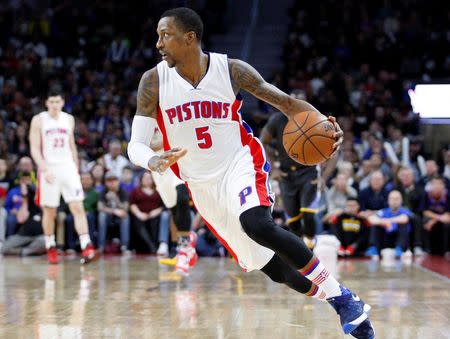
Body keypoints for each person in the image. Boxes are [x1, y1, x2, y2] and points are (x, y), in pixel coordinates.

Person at [126, 8, 373, 338]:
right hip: (201, 183)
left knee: (256, 222)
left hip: (239, 162)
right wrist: (150, 160)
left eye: (165, 35)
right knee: (273, 269)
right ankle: (341, 298)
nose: (158, 43)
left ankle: (344, 301)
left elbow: (288, 104)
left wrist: (325, 126)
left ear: (190, 38)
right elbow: (135, 144)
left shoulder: (231, 71)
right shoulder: (153, 81)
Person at [29, 91, 98, 264]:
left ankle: (86, 245)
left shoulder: (69, 119)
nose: (54, 104)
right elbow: (34, 148)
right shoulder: (39, 119)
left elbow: (71, 145)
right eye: (51, 101)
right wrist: (44, 169)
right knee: (50, 211)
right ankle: (50, 246)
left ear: (62, 102)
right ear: (46, 102)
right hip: (49, 169)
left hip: (67, 168)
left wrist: (75, 166)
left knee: (77, 207)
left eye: (57, 101)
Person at [260, 111, 320, 249]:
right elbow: (262, 141)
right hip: (286, 175)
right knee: (293, 221)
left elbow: (333, 151)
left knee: (308, 214)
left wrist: (323, 176)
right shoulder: (277, 119)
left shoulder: (313, 117)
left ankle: (310, 241)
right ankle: (302, 253)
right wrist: (273, 168)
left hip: (308, 172)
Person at [150, 128, 197, 275]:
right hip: (159, 167)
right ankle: (187, 246)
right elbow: (148, 146)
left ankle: (183, 249)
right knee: (174, 209)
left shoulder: (171, 109)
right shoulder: (144, 117)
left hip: (179, 160)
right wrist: (172, 136)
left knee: (183, 198)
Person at [1, 171, 45, 256]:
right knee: (4, 248)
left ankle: (22, 252)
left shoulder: (38, 194)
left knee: (44, 241)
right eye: (23, 181)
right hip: (24, 235)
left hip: (38, 236)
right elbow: (21, 219)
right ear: (20, 182)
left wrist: (35, 194)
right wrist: (25, 198)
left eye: (28, 180)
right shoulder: (22, 197)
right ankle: (26, 252)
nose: (26, 183)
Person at [366, 190, 412, 258]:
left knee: (403, 225)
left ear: (401, 200)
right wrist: (383, 222)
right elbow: (371, 219)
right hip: (385, 238)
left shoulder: (405, 211)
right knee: (376, 226)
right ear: (388, 200)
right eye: (392, 199)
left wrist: (387, 221)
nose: (394, 201)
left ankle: (399, 249)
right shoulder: (383, 211)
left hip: (399, 239)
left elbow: (404, 219)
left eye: (397, 199)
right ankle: (374, 248)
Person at [129, 172, 164, 253]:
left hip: (155, 215)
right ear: (141, 180)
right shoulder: (135, 191)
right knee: (138, 223)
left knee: (155, 222)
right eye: (145, 178)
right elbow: (132, 204)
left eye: (149, 178)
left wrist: (157, 211)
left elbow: (163, 205)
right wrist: (139, 214)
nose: (147, 180)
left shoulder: (158, 190)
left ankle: (155, 245)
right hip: (139, 215)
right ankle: (152, 246)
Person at [97, 171, 131, 255]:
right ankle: (101, 246)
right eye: (109, 180)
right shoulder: (103, 192)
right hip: (108, 217)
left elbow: (126, 208)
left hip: (119, 219)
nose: (112, 182)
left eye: (114, 180)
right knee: (102, 215)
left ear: (118, 181)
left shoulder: (123, 192)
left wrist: (116, 199)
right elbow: (100, 207)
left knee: (125, 217)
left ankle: (124, 246)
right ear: (105, 182)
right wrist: (114, 211)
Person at [420, 177, 450, 256]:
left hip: (444, 217)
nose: (436, 186)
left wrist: (435, 221)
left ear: (443, 185)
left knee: (447, 224)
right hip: (431, 216)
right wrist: (437, 218)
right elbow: (425, 211)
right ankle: (426, 249)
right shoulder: (426, 194)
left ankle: (446, 250)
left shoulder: (447, 195)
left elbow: (448, 212)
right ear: (431, 185)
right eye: (434, 183)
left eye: (439, 183)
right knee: (425, 221)